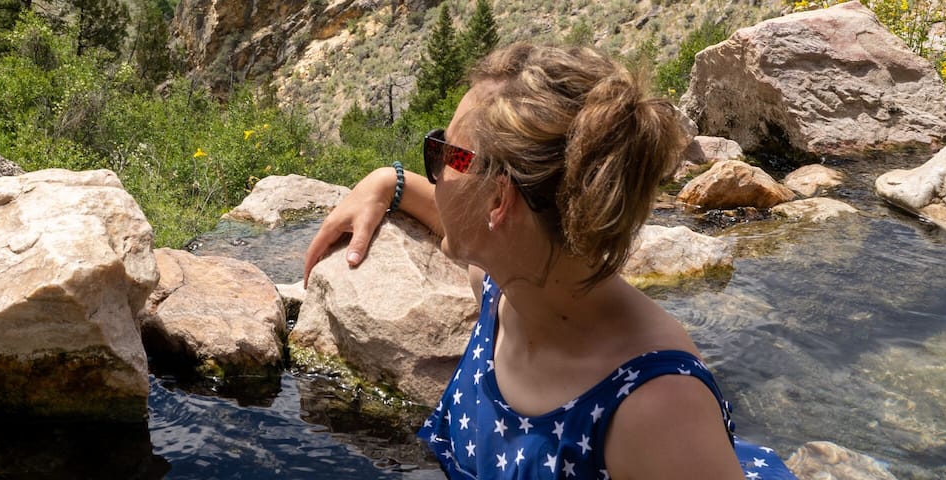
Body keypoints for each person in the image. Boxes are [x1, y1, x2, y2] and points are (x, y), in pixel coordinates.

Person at [301, 43, 795, 480]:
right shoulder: (507, 282)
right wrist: (390, 182)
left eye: (443, 155)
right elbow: (462, 222)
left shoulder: (657, 411)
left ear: (499, 202)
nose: (437, 172)